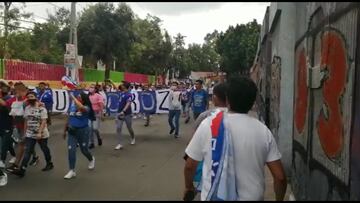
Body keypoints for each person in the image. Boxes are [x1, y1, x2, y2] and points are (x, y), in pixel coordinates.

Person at [183, 76, 287, 201]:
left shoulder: (209, 125)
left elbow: (190, 166)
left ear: (227, 99)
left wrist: (189, 187)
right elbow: (280, 178)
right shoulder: (263, 131)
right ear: (253, 101)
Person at [11, 91, 54, 177]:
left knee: (44, 148)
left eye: (32, 96)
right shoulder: (27, 108)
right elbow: (26, 121)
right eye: (28, 97)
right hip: (30, 133)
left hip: (41, 134)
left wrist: (39, 132)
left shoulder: (42, 108)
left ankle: (49, 163)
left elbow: (43, 121)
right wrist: (25, 132)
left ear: (35, 97)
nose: (30, 98)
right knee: (28, 151)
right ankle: (22, 170)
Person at [63, 91, 95, 179]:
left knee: (84, 150)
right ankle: (71, 170)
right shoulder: (72, 106)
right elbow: (69, 117)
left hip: (83, 131)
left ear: (84, 99)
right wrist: (64, 130)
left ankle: (91, 159)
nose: (78, 98)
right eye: (77, 97)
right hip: (72, 131)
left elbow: (81, 108)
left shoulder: (87, 107)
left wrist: (73, 97)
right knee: (71, 150)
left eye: (79, 97)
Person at [115, 82, 135, 150]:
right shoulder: (121, 93)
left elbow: (128, 103)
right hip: (119, 113)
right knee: (118, 128)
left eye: (123, 85)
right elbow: (116, 87)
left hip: (127, 114)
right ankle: (119, 143)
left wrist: (123, 111)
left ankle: (133, 137)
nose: (121, 86)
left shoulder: (129, 95)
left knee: (129, 127)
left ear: (125, 86)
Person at [0, 84, 16, 168]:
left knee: (3, 143)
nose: (3, 88)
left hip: (8, 123)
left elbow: (5, 105)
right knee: (8, 142)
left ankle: (2, 160)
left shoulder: (10, 98)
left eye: (5, 87)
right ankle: (14, 155)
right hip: (1, 123)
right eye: (1, 87)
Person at [88, 84, 104, 149]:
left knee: (95, 128)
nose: (91, 89)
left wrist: (102, 114)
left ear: (95, 89)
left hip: (96, 113)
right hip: (89, 113)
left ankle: (99, 138)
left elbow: (101, 105)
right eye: (90, 87)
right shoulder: (88, 96)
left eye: (92, 87)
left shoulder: (99, 96)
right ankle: (91, 143)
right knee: (90, 128)